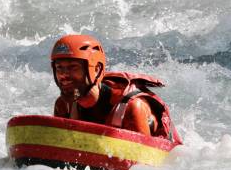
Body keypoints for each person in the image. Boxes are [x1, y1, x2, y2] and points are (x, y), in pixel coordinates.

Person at [50, 34, 180, 142]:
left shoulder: (131, 108)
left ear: (96, 69)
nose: (64, 75)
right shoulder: (63, 105)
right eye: (59, 68)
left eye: (73, 67)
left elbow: (142, 168)